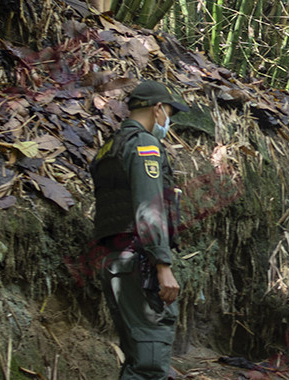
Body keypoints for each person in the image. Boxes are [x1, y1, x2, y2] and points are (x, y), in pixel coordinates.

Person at [90, 80, 189, 379]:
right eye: (169, 111)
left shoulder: (108, 149)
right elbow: (148, 207)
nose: (168, 121)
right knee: (149, 362)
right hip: (140, 264)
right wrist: (162, 264)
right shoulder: (144, 145)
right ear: (157, 108)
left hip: (115, 263)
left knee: (135, 357)